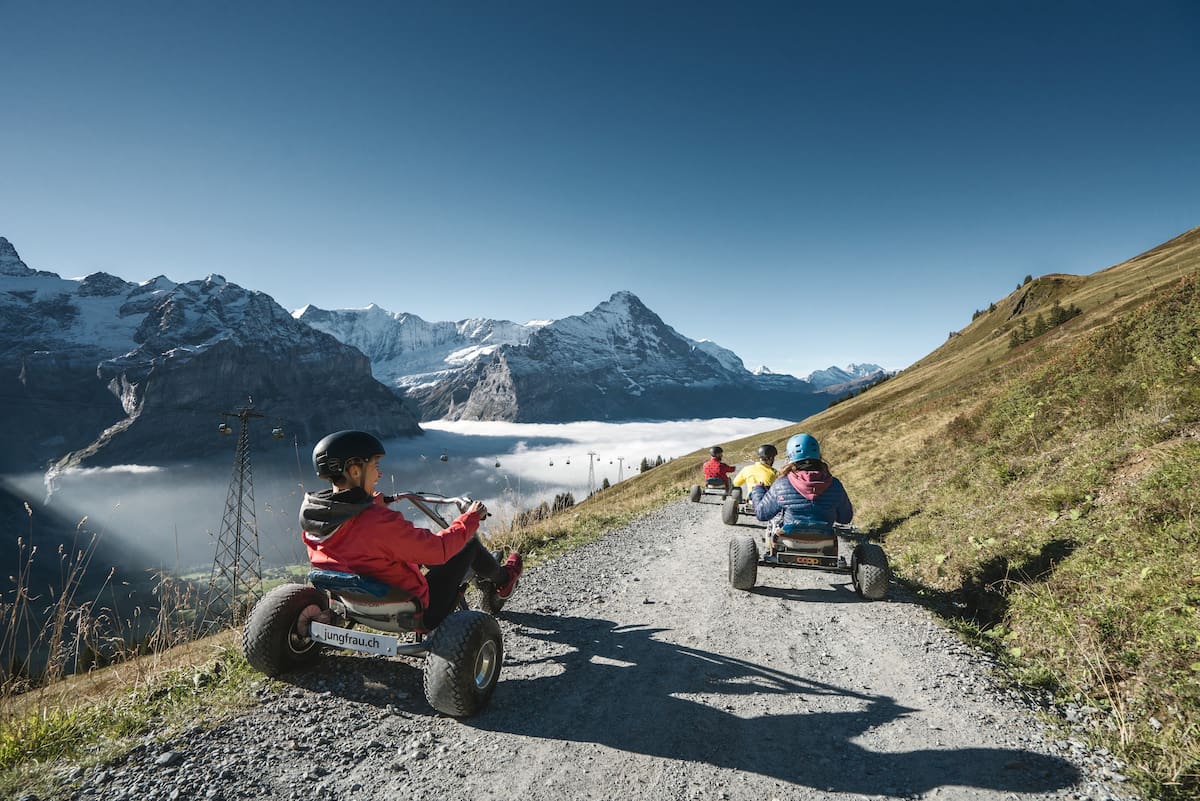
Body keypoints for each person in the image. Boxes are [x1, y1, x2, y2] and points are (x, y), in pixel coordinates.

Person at [299, 430, 522, 631]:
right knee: (467, 544)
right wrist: (471, 517)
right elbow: (438, 550)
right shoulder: (378, 523)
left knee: (414, 551)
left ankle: (494, 577)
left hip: (353, 602)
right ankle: (503, 581)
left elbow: (357, 537)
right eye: (375, 466)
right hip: (411, 611)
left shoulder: (315, 517)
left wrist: (370, 502)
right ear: (355, 470)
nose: (379, 475)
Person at [751, 433, 852, 532]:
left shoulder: (781, 484)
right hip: (824, 543)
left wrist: (758, 489)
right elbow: (845, 518)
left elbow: (762, 514)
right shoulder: (835, 484)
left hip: (790, 542)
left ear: (790, 457)